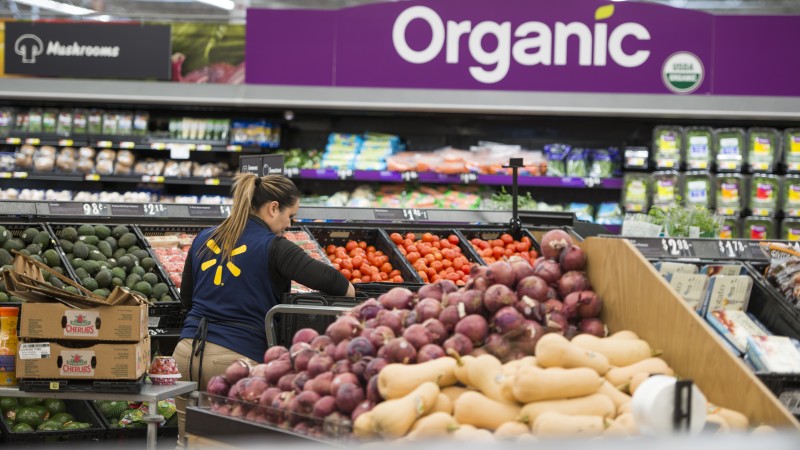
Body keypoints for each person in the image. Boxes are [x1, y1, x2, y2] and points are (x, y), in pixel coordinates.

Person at [172, 172, 354, 447]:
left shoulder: (204, 237)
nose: (289, 225)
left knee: (187, 443)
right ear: (272, 208)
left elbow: (187, 299)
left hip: (185, 354)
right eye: (290, 216)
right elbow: (334, 283)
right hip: (235, 360)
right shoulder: (274, 246)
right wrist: (352, 294)